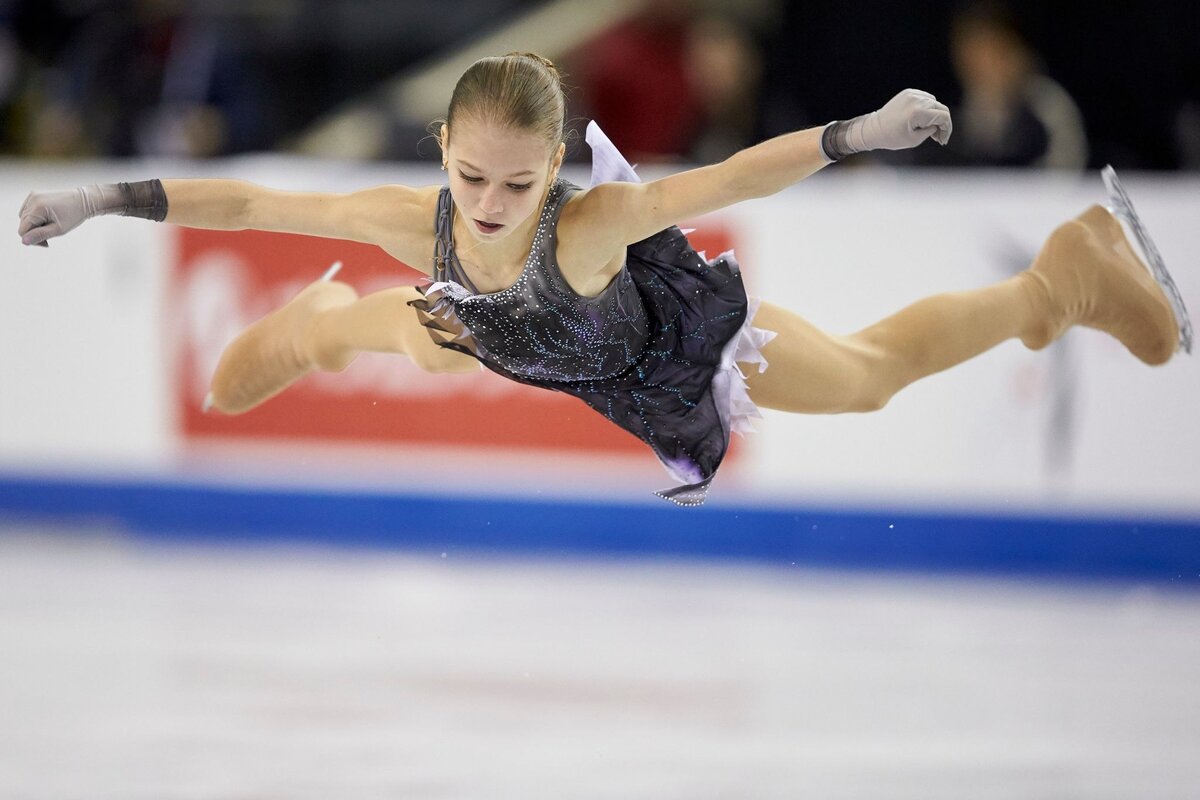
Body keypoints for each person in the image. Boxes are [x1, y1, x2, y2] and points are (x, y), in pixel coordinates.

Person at [16, 53, 1192, 505]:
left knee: (871, 379)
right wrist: (100, 201)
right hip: (503, 338)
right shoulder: (409, 212)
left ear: (554, 169)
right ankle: (322, 322)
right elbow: (253, 200)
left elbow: (730, 174)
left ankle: (1059, 283)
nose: (486, 202)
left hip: (664, 350)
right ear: (441, 154)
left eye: (516, 186)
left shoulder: (592, 226)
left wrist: (855, 134)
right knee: (437, 325)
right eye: (470, 177)